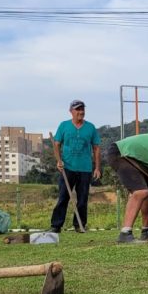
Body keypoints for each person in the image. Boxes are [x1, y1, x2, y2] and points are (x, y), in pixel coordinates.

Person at [50, 100, 101, 233]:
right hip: (67, 168)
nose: (81, 112)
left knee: (83, 198)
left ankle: (79, 225)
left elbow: (96, 148)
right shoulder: (64, 126)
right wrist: (58, 161)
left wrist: (97, 168)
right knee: (63, 197)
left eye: (82, 109)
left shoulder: (90, 127)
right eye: (77, 109)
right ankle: (56, 225)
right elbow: (56, 144)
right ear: (71, 111)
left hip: (85, 169)